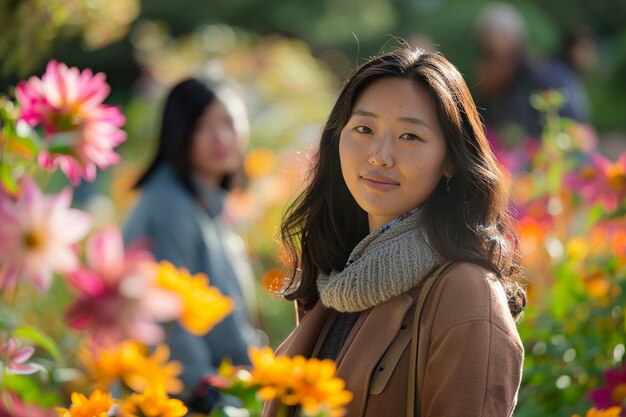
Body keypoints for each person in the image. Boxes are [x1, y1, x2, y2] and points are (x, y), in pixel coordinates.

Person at [265, 46, 526, 417]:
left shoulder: (467, 294)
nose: (379, 155)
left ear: (451, 160)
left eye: (410, 137)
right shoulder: (336, 278)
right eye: (364, 129)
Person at [122, 78, 260, 414]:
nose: (222, 138)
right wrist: (209, 395)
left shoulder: (206, 201)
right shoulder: (171, 208)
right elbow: (168, 320)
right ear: (178, 131)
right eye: (203, 126)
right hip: (182, 401)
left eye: (229, 122)